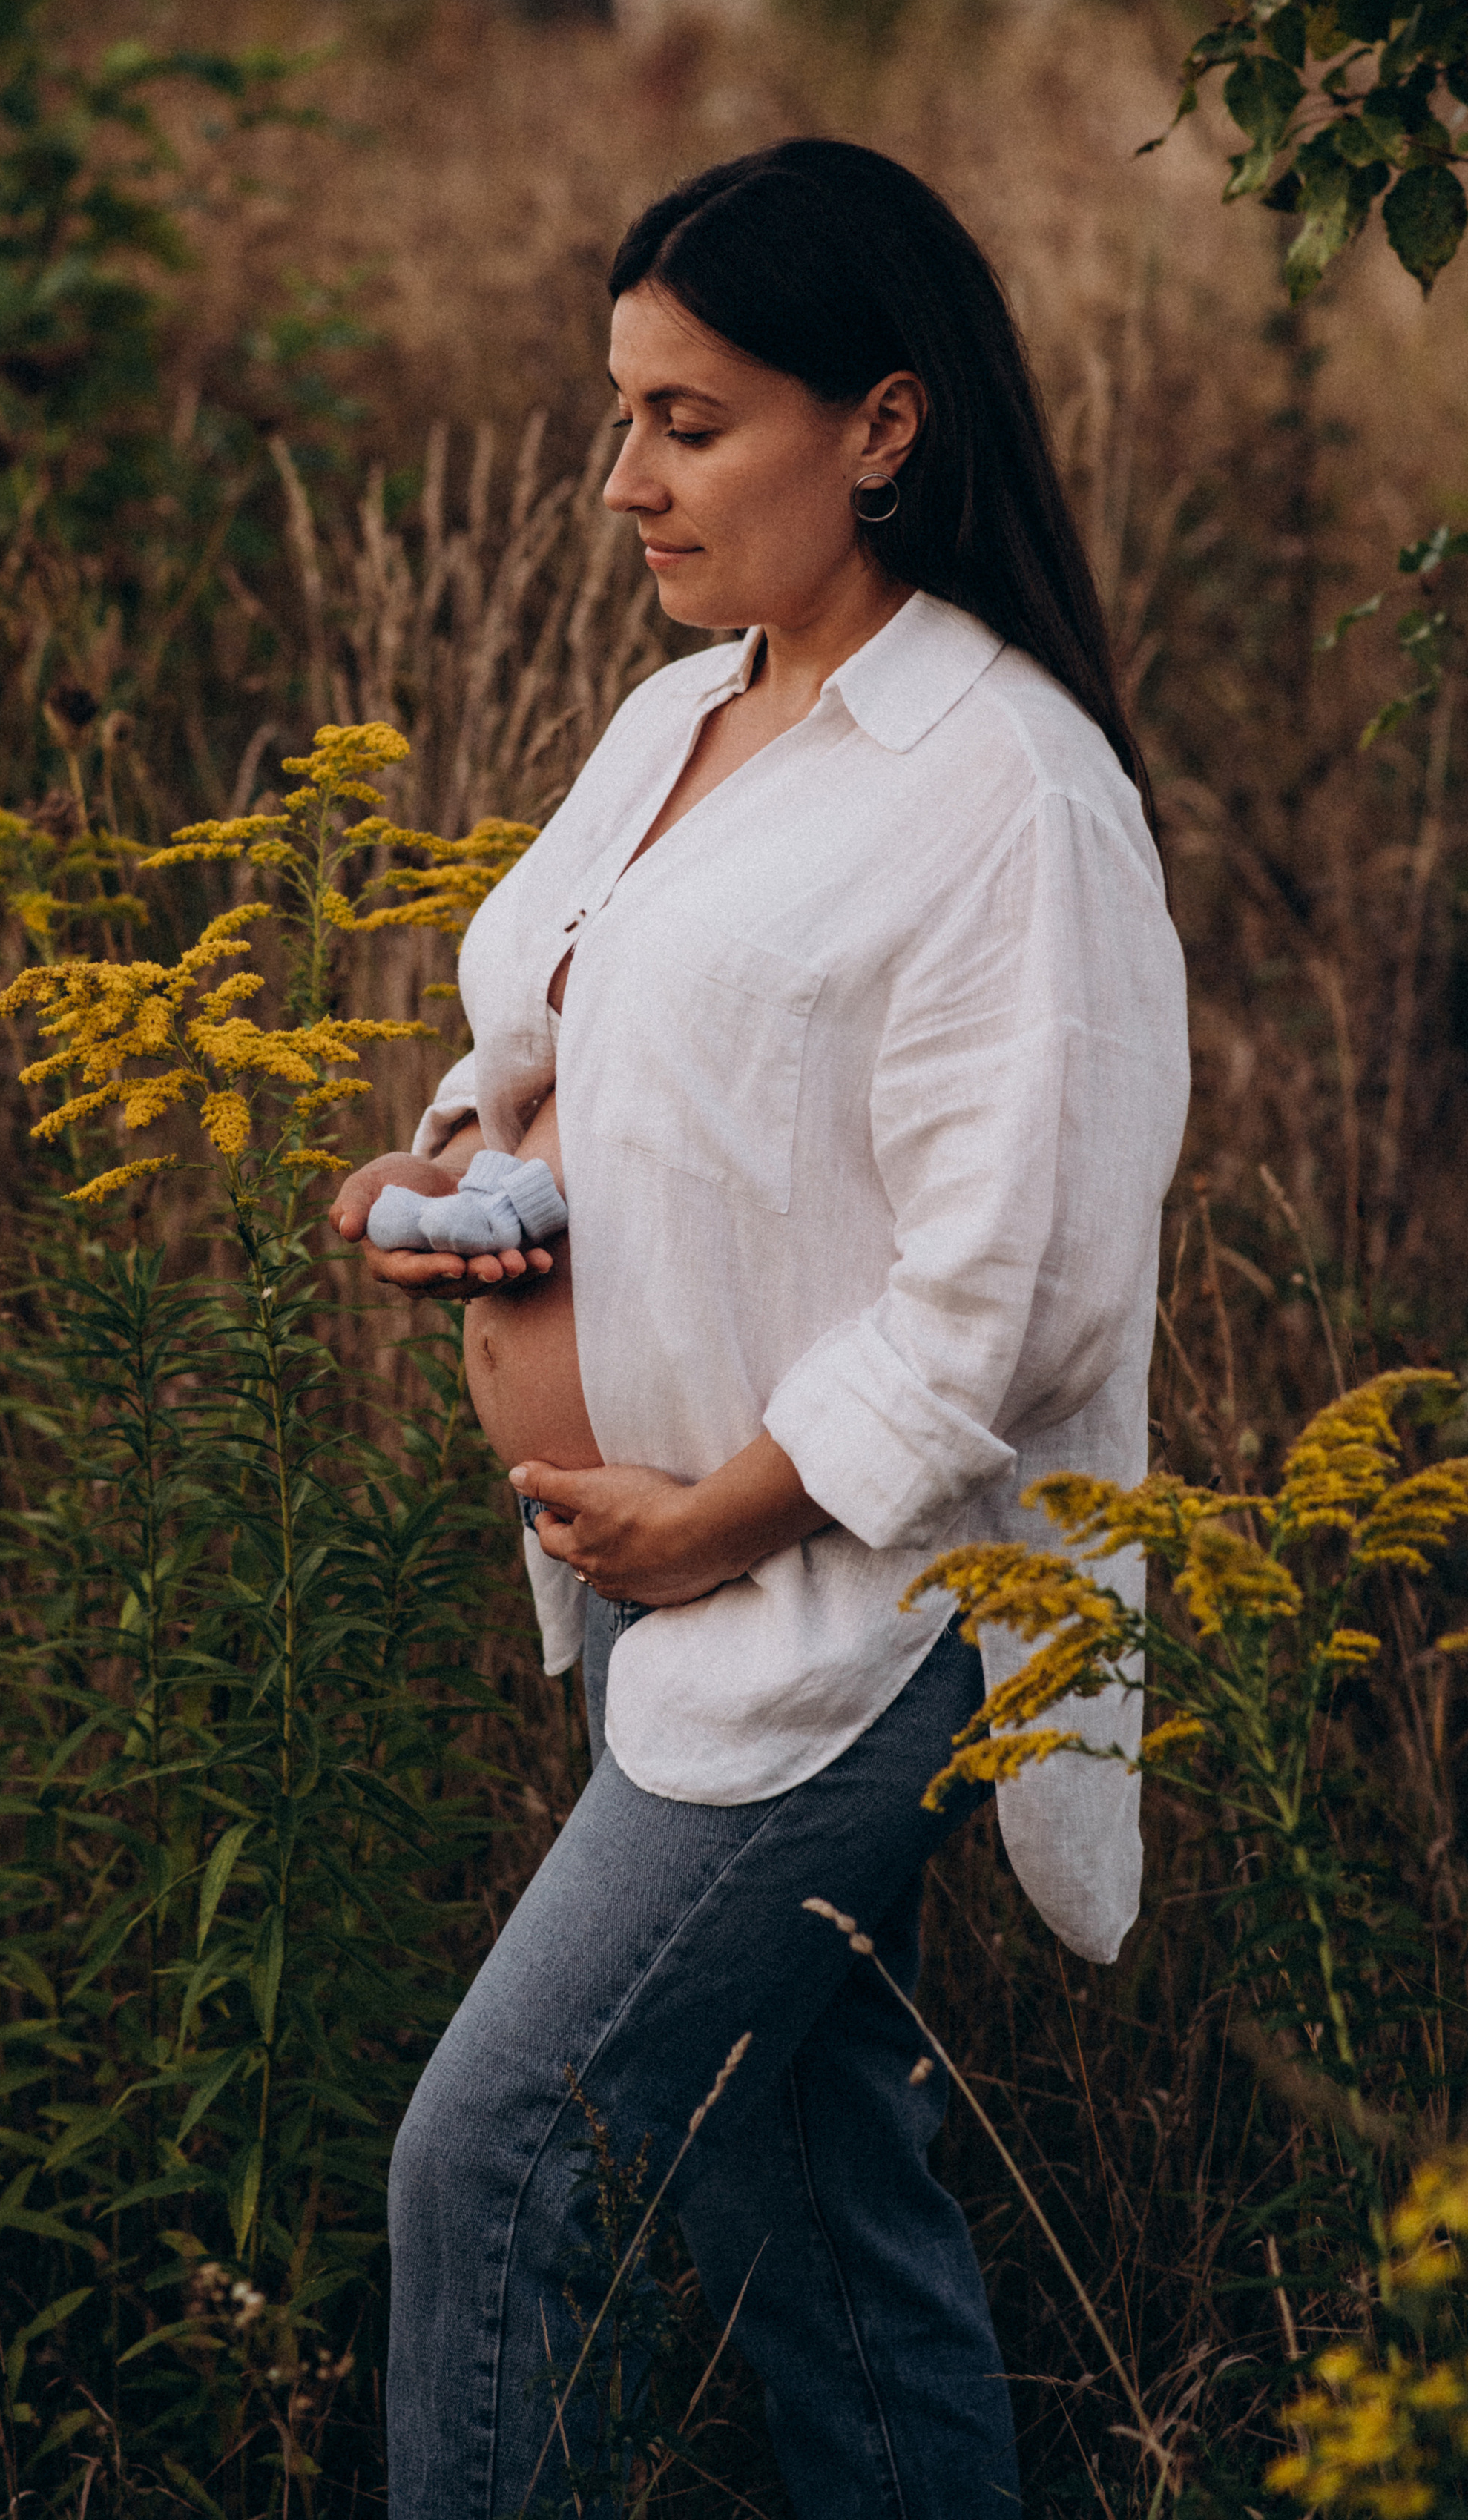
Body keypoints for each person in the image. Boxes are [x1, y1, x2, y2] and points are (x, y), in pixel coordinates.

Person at [331, 139, 1190, 2520]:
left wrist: (722, 1514)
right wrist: (450, 1179)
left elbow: (1023, 1283)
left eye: (689, 425)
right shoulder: (681, 717)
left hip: (847, 1607)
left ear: (883, 425)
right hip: (661, 1586)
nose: (625, 481)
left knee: (493, 2157)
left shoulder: (1008, 792)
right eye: (622, 416)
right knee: (801, 2195)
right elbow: (561, 1032)